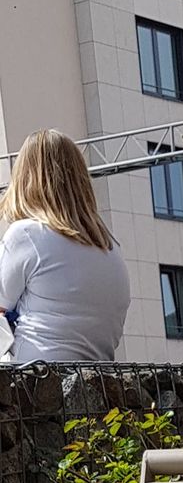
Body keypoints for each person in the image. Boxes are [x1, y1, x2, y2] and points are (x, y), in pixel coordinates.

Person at [0, 129, 130, 365]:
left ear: (24, 179)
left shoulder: (27, 234)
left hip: (35, 374)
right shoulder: (110, 246)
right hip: (98, 372)